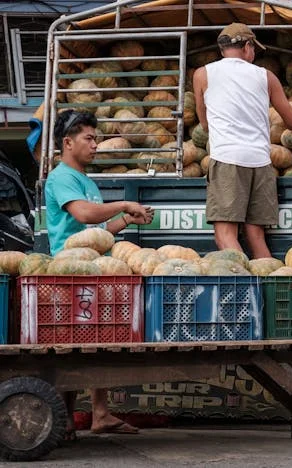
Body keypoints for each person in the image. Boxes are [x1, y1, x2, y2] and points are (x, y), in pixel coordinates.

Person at [45, 110, 154, 438]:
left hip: (95, 268)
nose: (96, 145)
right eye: (89, 139)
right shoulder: (62, 176)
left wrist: (127, 222)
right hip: (71, 271)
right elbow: (82, 213)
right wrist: (123, 204)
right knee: (72, 346)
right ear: (68, 142)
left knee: (99, 341)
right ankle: (64, 418)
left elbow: (98, 229)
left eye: (96, 138)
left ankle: (100, 414)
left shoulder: (86, 181)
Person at [193, 23, 292, 259]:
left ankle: (248, 288)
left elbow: (204, 124)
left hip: (227, 160)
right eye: (254, 49)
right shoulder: (267, 76)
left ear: (223, 49)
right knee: (256, 236)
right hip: (261, 163)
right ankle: (267, 289)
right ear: (247, 46)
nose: (254, 54)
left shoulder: (203, 74)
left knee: (224, 236)